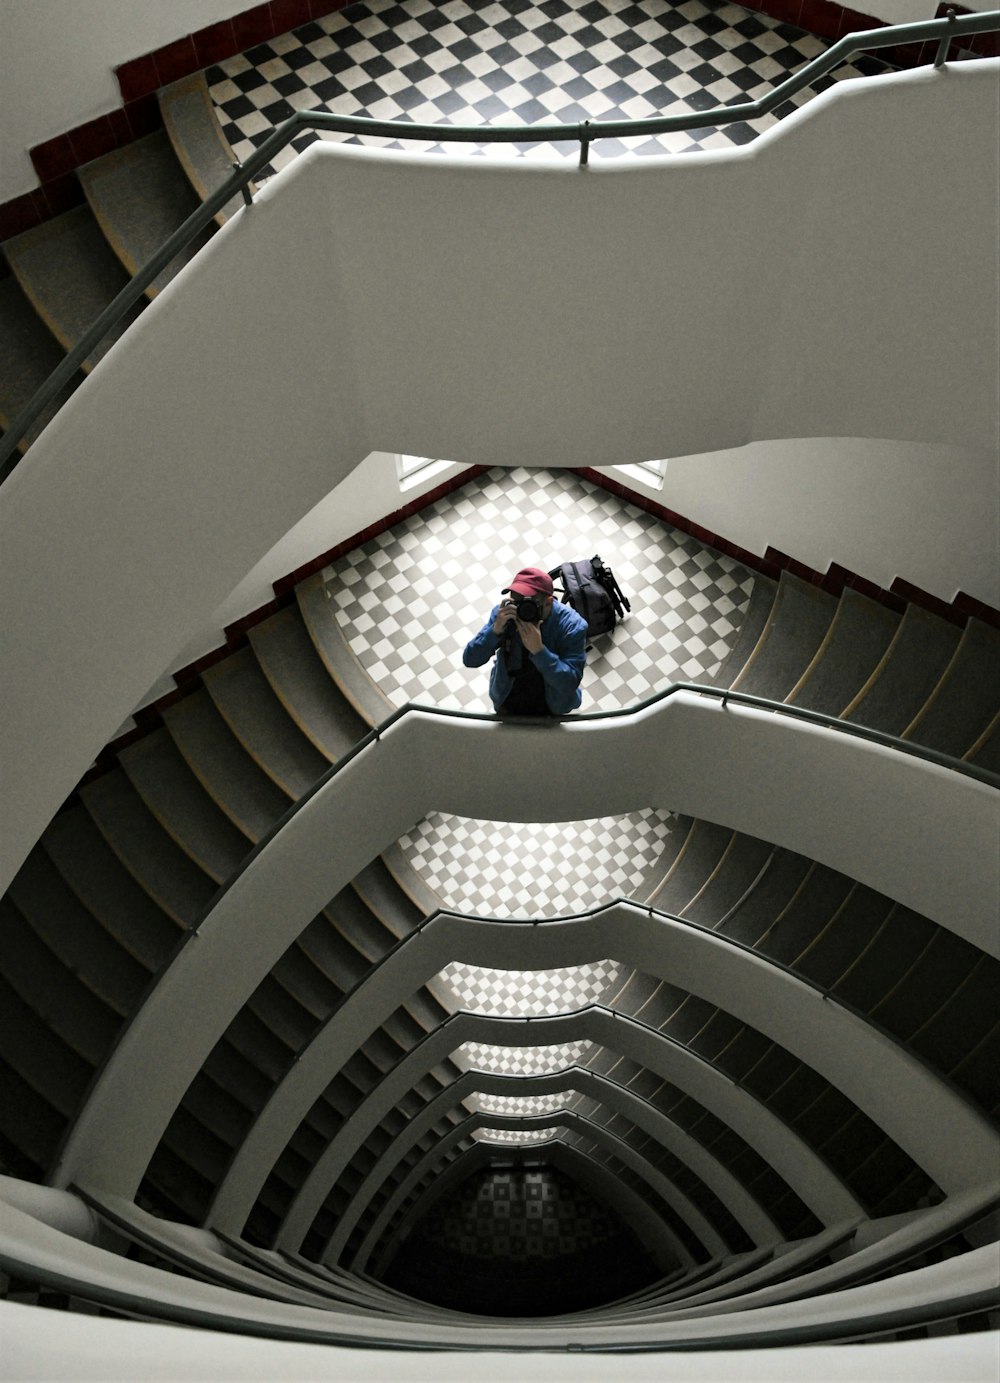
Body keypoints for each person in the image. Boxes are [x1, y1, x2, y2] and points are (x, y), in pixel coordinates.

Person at [463, 566, 587, 716]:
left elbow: (569, 683)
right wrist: (494, 631)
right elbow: (470, 659)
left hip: (552, 705)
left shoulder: (572, 625)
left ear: (548, 603)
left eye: (528, 604)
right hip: (507, 698)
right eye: (516, 601)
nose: (521, 609)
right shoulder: (505, 614)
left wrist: (539, 651)